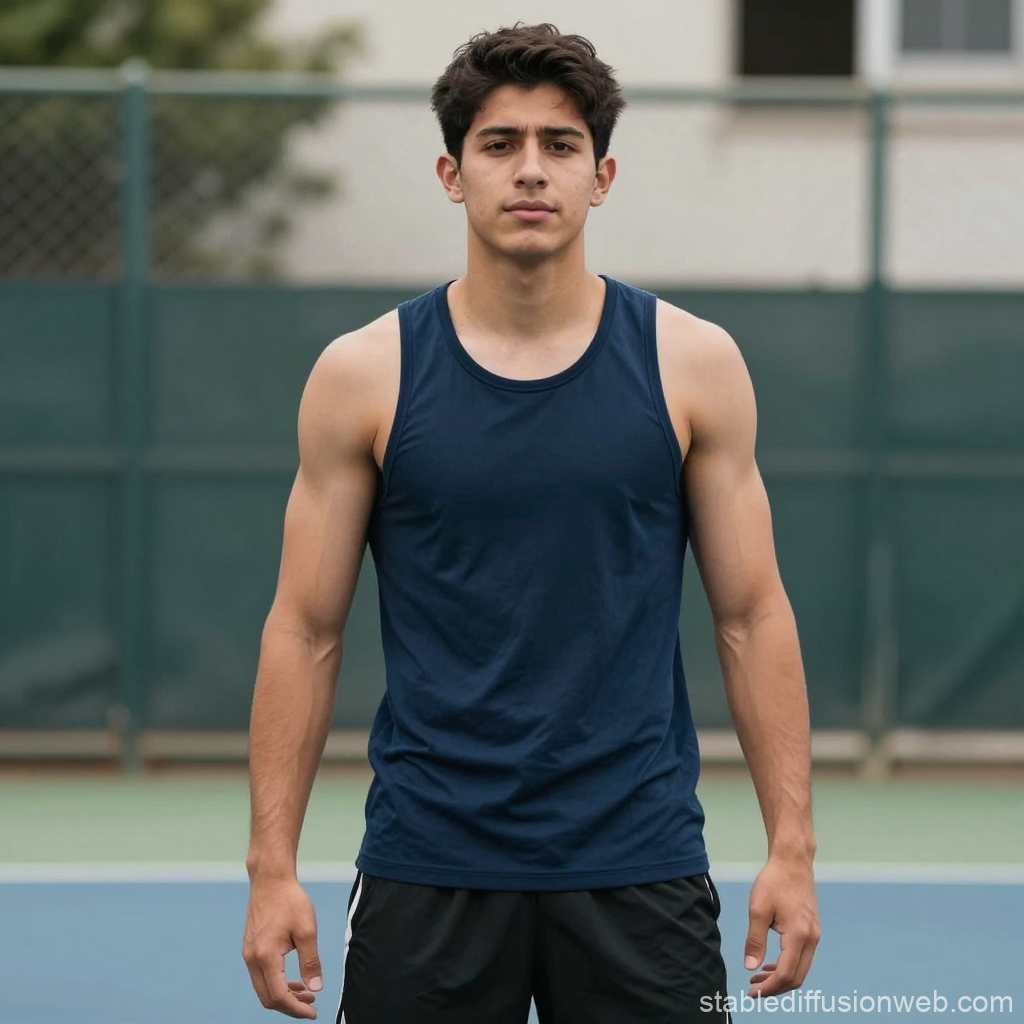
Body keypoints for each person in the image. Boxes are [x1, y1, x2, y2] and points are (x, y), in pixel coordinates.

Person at [242, 22, 820, 1024]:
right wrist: (269, 867)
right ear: (450, 171)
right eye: (498, 144)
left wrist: (792, 847)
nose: (529, 170)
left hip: (637, 858)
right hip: (431, 863)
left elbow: (752, 614)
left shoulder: (692, 364)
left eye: (558, 145)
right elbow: (304, 628)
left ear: (600, 176)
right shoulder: (363, 375)